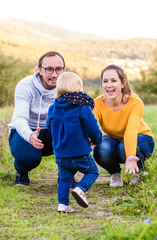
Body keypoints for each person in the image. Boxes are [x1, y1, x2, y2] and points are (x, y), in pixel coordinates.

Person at [8, 51, 77, 186]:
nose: (54, 74)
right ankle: (21, 172)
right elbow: (19, 118)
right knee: (29, 157)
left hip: (53, 131)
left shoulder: (68, 87)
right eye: (49, 69)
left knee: (75, 135)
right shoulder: (25, 86)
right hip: (28, 130)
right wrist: (29, 136)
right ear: (40, 70)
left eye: (58, 69)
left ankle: (66, 175)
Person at [46, 72, 102, 213]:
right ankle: (80, 189)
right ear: (78, 88)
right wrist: (96, 140)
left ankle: (63, 205)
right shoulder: (82, 107)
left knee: (64, 178)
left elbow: (49, 125)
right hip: (79, 152)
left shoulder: (53, 107)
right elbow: (92, 127)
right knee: (92, 172)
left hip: (61, 153)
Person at [93, 64, 155, 187]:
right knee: (101, 149)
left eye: (114, 81)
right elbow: (91, 131)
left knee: (124, 149)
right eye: (105, 81)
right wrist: (77, 160)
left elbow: (131, 131)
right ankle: (115, 174)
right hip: (112, 139)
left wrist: (130, 156)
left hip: (141, 138)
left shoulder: (135, 102)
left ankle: (139, 172)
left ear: (123, 83)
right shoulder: (97, 104)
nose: (109, 85)